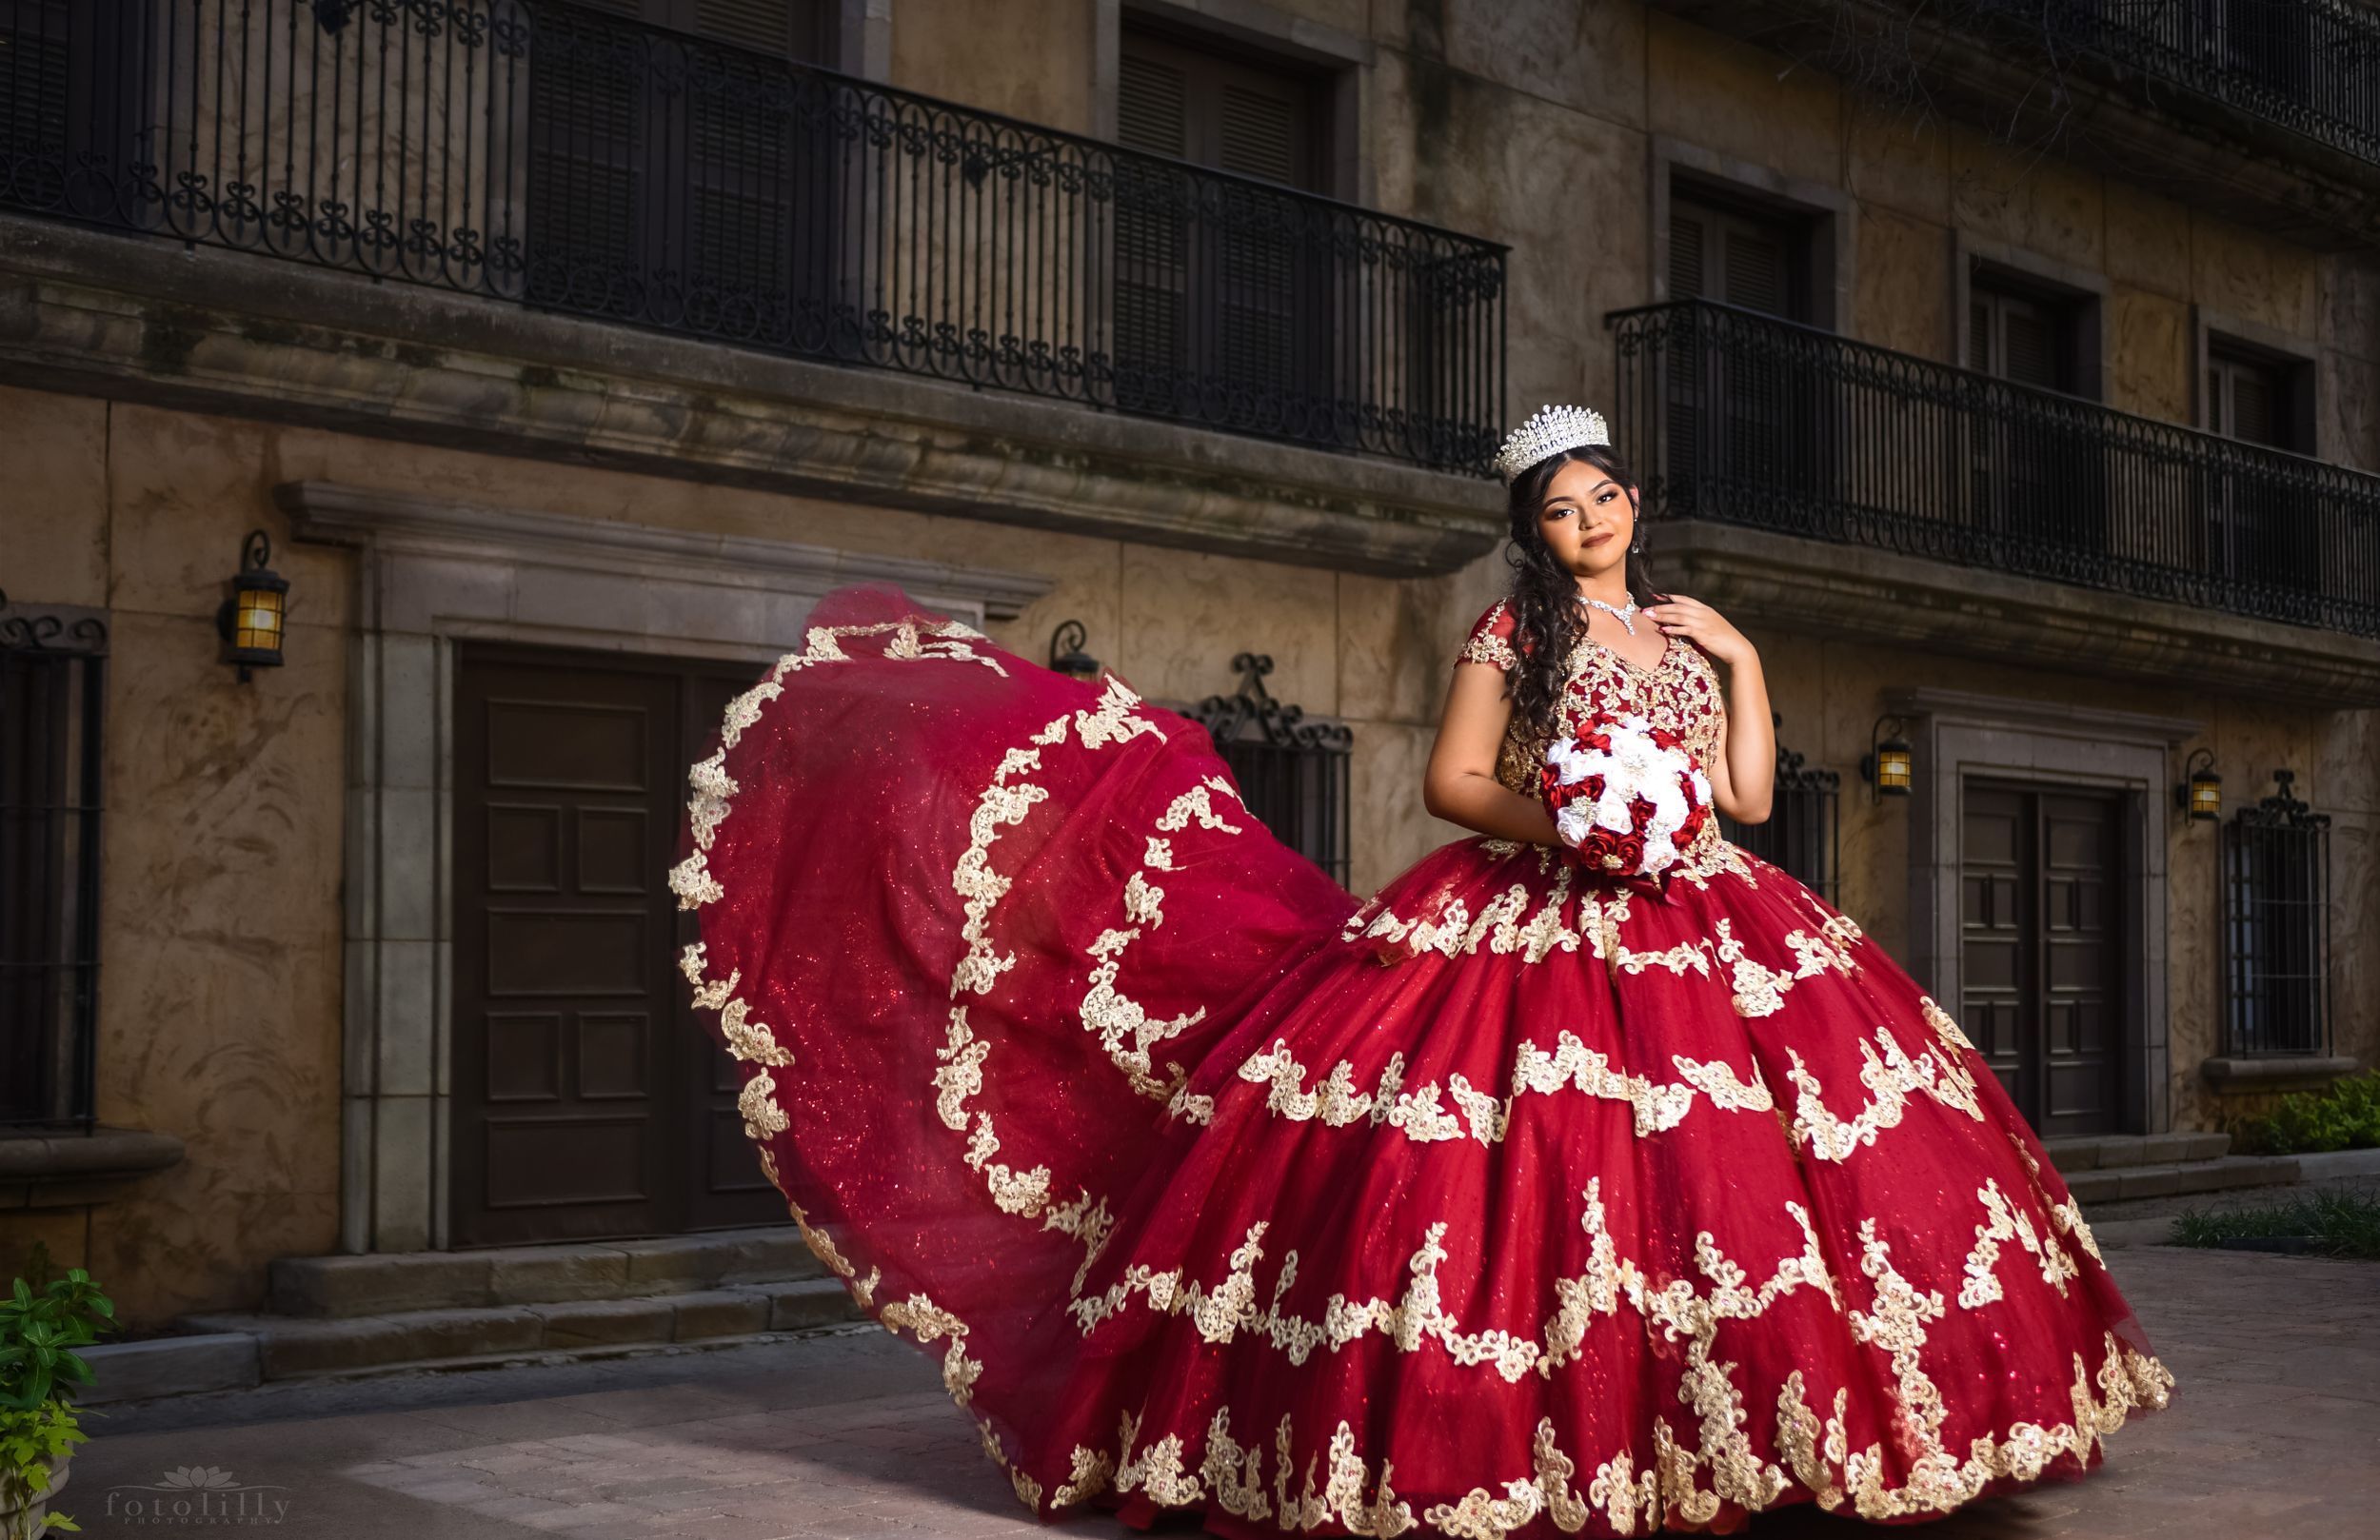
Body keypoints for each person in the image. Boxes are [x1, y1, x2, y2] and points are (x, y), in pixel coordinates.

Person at [673, 404, 2172, 1538]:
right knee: (1521, 1175)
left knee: (1734, 1180)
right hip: (1539, 907)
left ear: (1631, 501)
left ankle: (1738, 1437)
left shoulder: (1689, 638)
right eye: (1559, 507)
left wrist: (1744, 668)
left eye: (1602, 495)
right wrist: (1577, 821)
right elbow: (1461, 782)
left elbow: (1754, 800)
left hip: (1713, 909)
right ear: (1538, 526)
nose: (1587, 518)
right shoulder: (1512, 629)